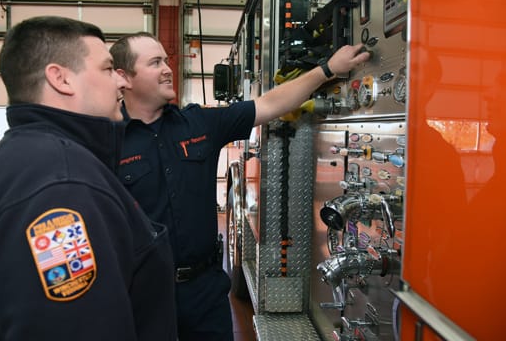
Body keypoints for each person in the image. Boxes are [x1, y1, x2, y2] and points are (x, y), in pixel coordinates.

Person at [110, 31, 369, 341]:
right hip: (143, 292)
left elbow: (270, 104)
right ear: (124, 77)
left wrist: (327, 69)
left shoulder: (199, 124)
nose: (167, 68)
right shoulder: (106, 140)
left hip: (204, 292)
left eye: (166, 60)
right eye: (155, 62)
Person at [0, 16, 177, 340]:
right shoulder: (63, 188)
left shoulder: (24, 156)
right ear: (61, 79)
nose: (121, 82)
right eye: (107, 69)